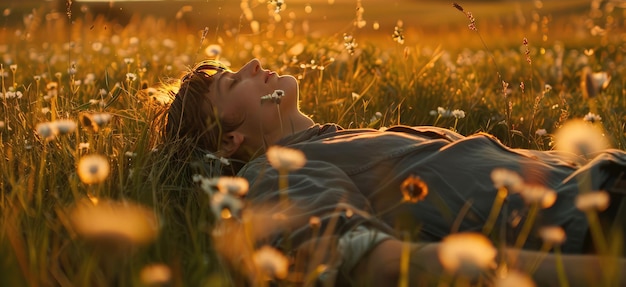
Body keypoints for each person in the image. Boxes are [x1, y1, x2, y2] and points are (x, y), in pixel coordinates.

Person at [162, 58, 626, 286]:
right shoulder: (278, 176)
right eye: (232, 81)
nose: (253, 65)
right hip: (601, 222)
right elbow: (378, 263)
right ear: (228, 141)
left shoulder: (336, 140)